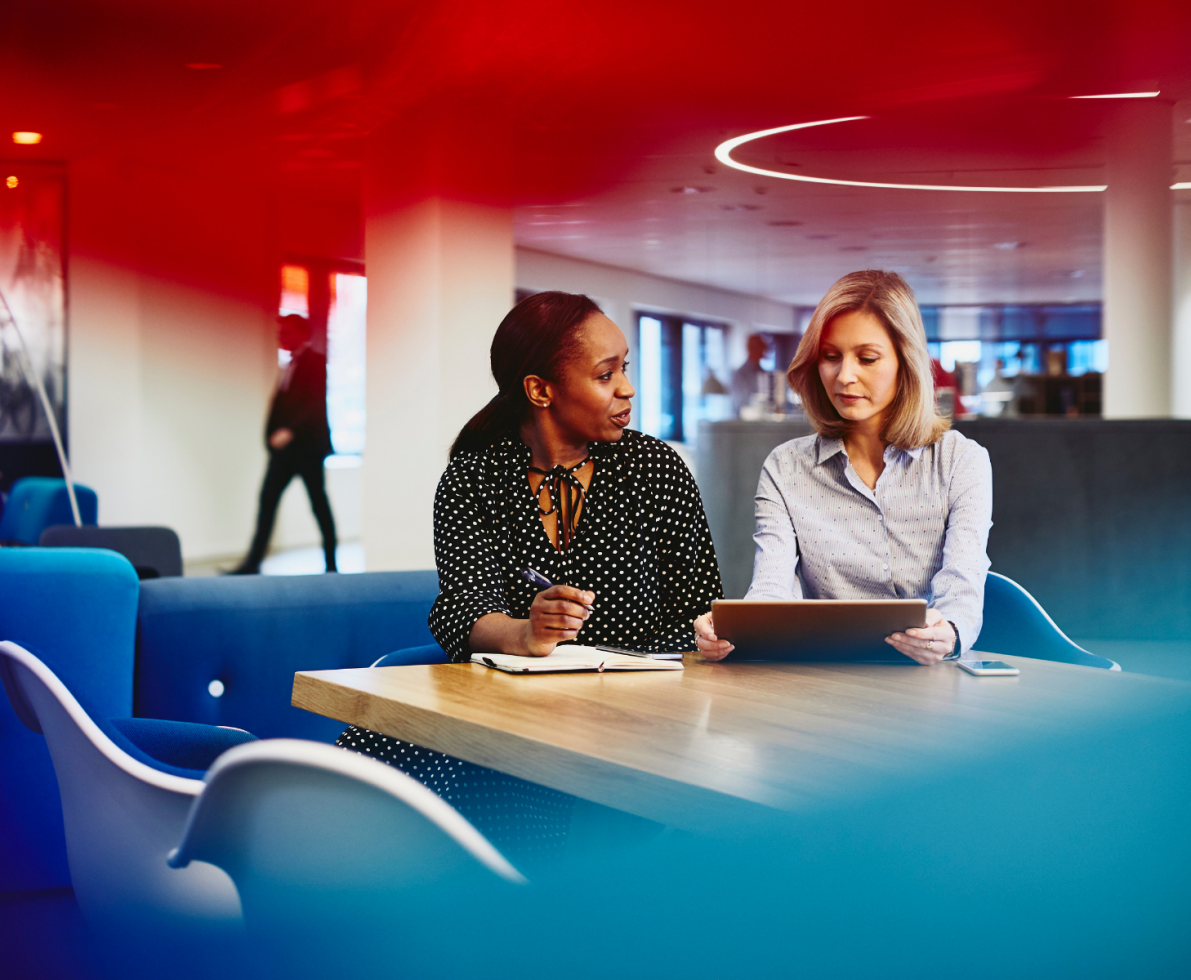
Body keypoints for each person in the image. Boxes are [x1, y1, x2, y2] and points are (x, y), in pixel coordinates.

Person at [337, 290, 724, 871]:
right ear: (541, 390)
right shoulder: (474, 477)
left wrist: (712, 630)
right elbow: (461, 609)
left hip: (644, 725)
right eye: (605, 374)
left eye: (626, 369)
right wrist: (524, 632)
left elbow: (700, 601)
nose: (627, 388)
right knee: (373, 764)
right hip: (513, 719)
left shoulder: (657, 468)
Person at [696, 270, 992, 666]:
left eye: (867, 358)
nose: (845, 376)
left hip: (928, 677)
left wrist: (949, 633)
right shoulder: (785, 468)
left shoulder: (962, 461)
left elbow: (962, 587)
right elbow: (771, 587)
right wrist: (733, 631)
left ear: (906, 360)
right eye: (831, 357)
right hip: (824, 678)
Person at [229, 314, 337, 574]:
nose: (282, 337)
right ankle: (253, 563)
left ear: (302, 333)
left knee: (318, 504)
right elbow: (280, 405)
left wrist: (290, 430)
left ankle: (331, 565)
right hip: (283, 453)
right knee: (267, 499)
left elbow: (314, 403)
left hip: (308, 449)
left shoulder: (316, 362)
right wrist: (269, 437)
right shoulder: (287, 365)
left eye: (286, 333)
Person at [730, 333, 770, 416]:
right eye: (761, 347)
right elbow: (741, 403)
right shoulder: (740, 374)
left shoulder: (765, 373)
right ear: (752, 349)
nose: (764, 350)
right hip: (745, 423)